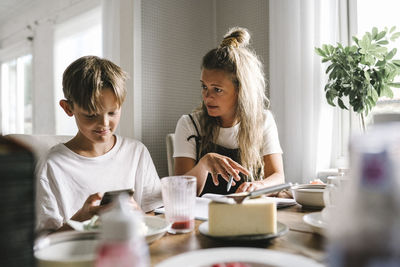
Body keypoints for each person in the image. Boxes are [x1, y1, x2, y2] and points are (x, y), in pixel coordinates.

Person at [35, 56, 163, 234]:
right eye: (91, 115)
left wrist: (137, 215)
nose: (104, 124)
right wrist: (80, 218)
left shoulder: (136, 152)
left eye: (112, 112)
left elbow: (152, 217)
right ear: (68, 108)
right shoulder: (52, 166)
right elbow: (42, 241)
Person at [174, 27, 285, 196]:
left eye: (217, 90)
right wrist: (204, 164)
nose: (207, 96)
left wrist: (258, 186)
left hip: (250, 214)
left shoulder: (263, 120)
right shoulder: (189, 124)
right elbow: (179, 191)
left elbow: (277, 177)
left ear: (240, 91)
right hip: (205, 217)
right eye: (204, 86)